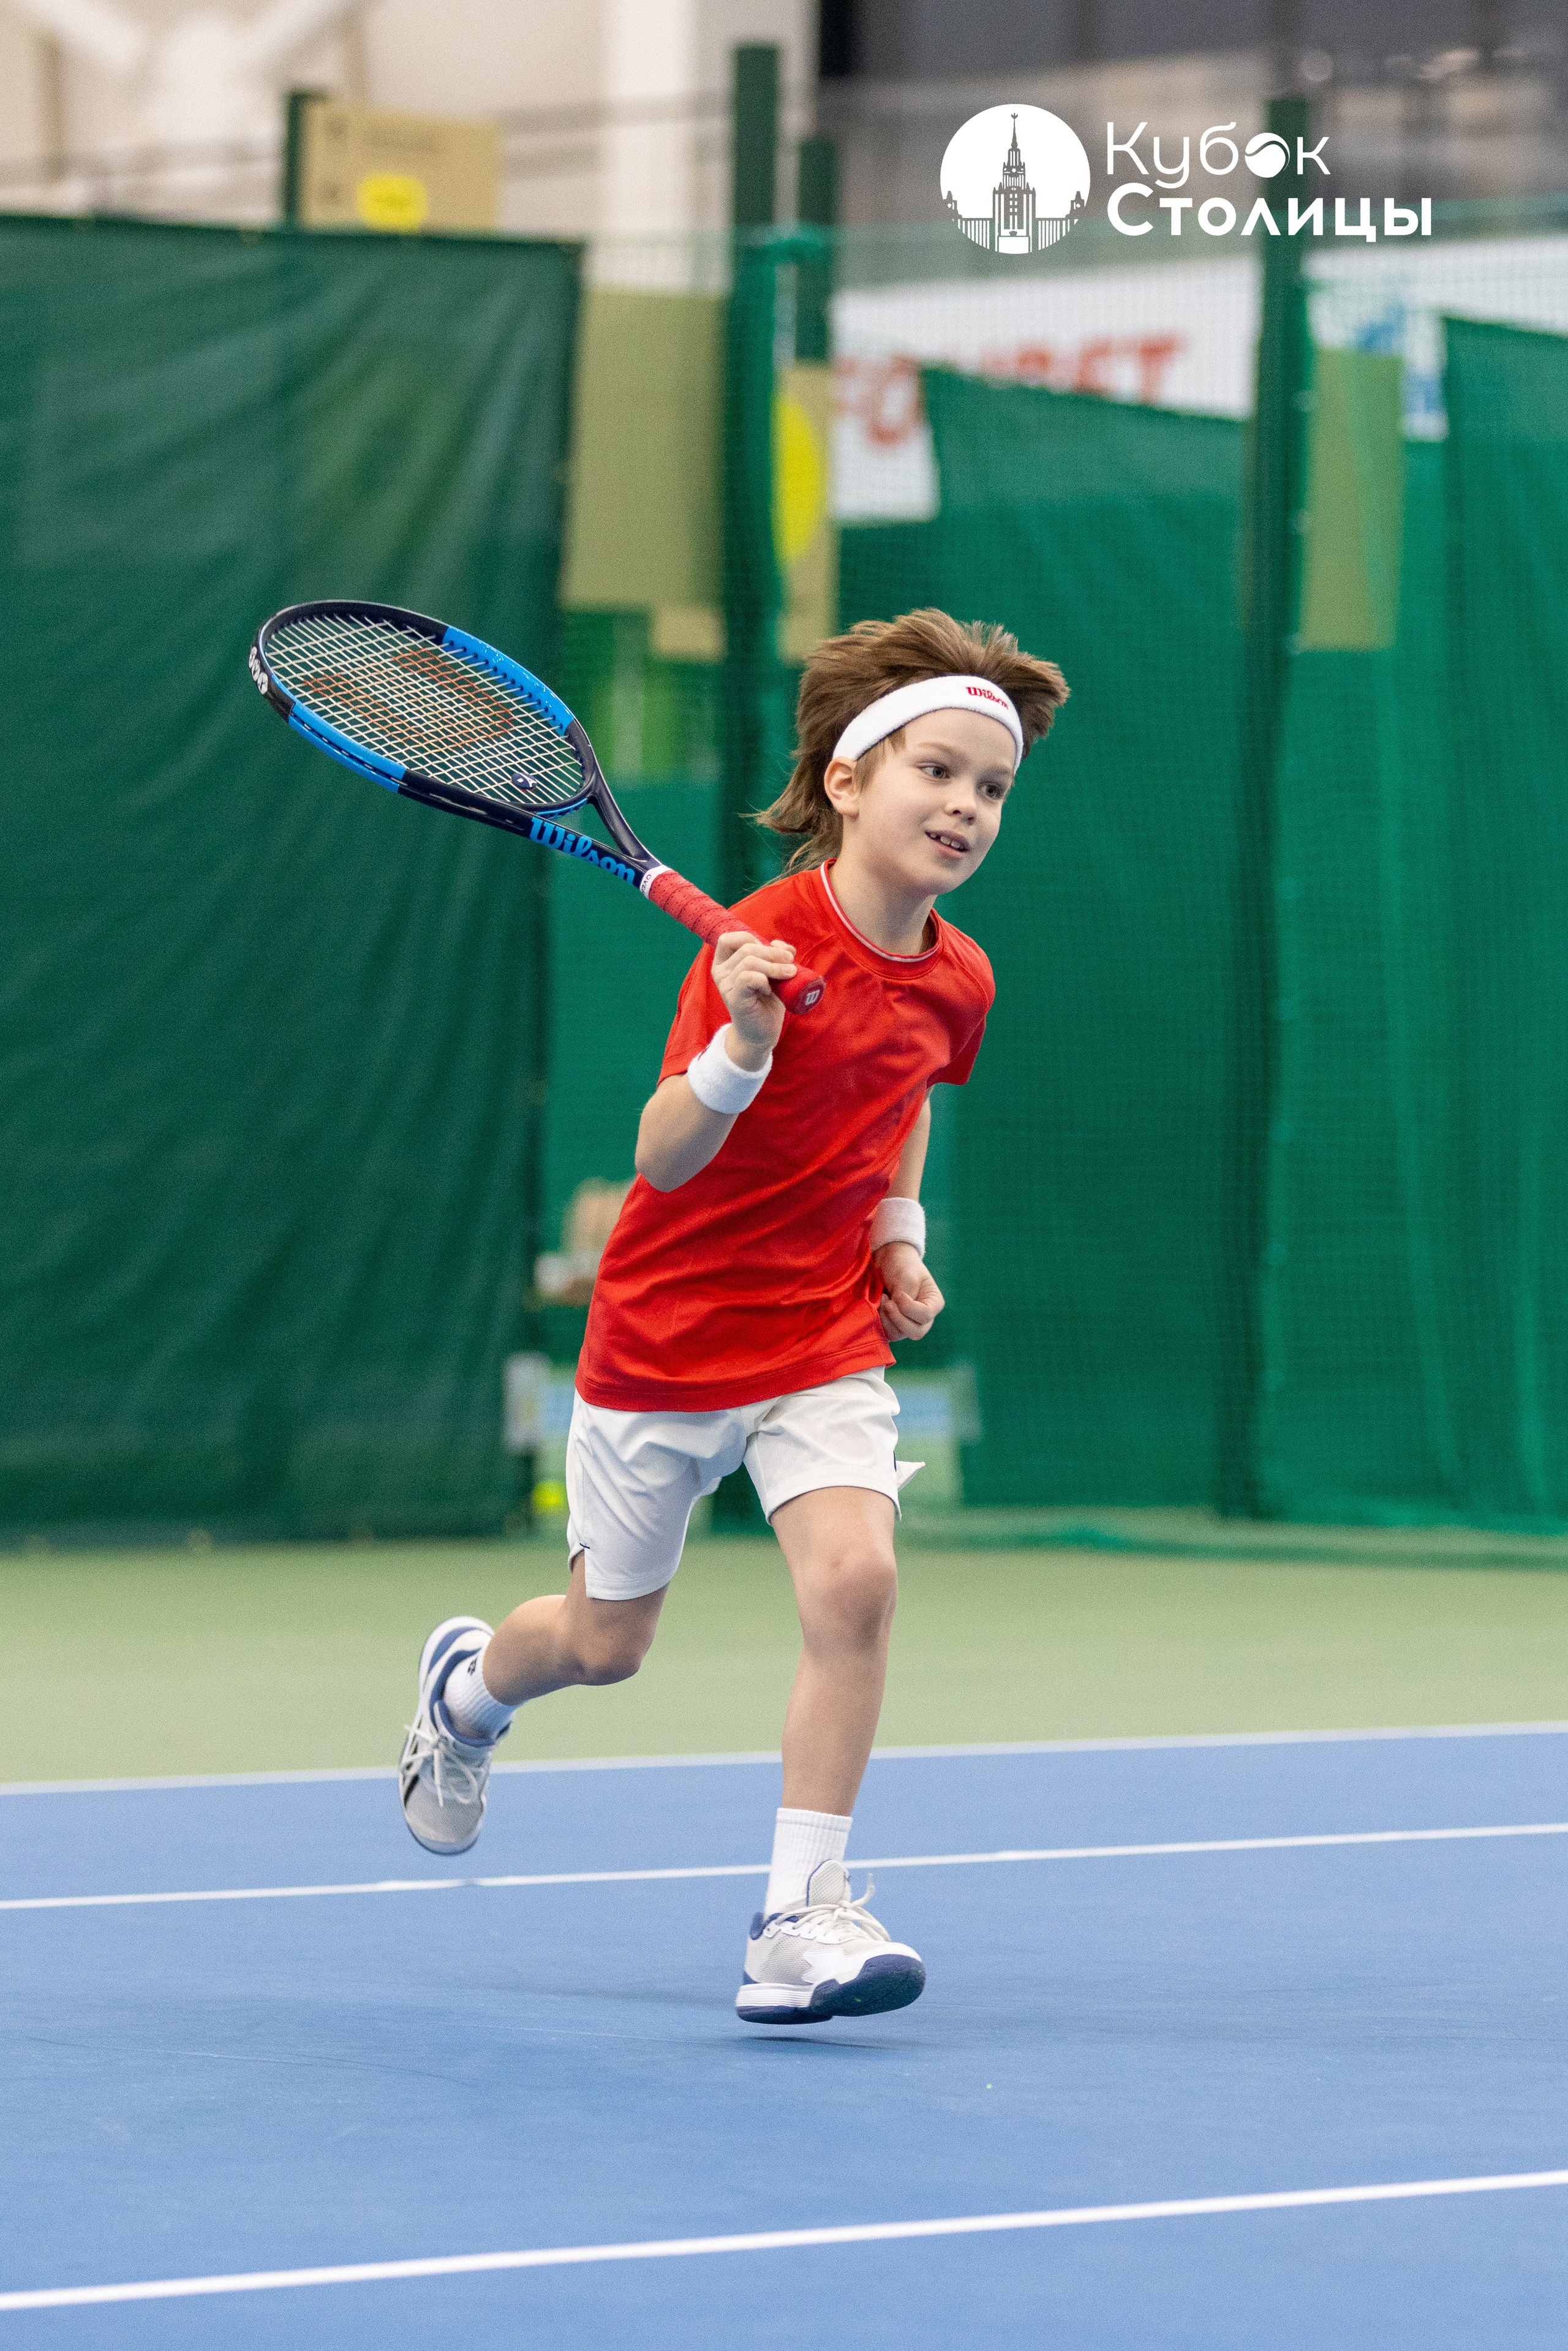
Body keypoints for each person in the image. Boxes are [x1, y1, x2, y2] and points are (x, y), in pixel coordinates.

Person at [398, 608, 1068, 2024]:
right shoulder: (754, 943)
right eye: (934, 773)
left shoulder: (961, 975)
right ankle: (466, 1691)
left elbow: (903, 1108)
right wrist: (740, 1049)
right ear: (845, 779)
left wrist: (897, 1233)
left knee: (856, 1583)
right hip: (665, 1339)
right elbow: (659, 1156)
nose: (962, 806)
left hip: (820, 1335)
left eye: (989, 787)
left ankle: (795, 1917)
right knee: (602, 1643)